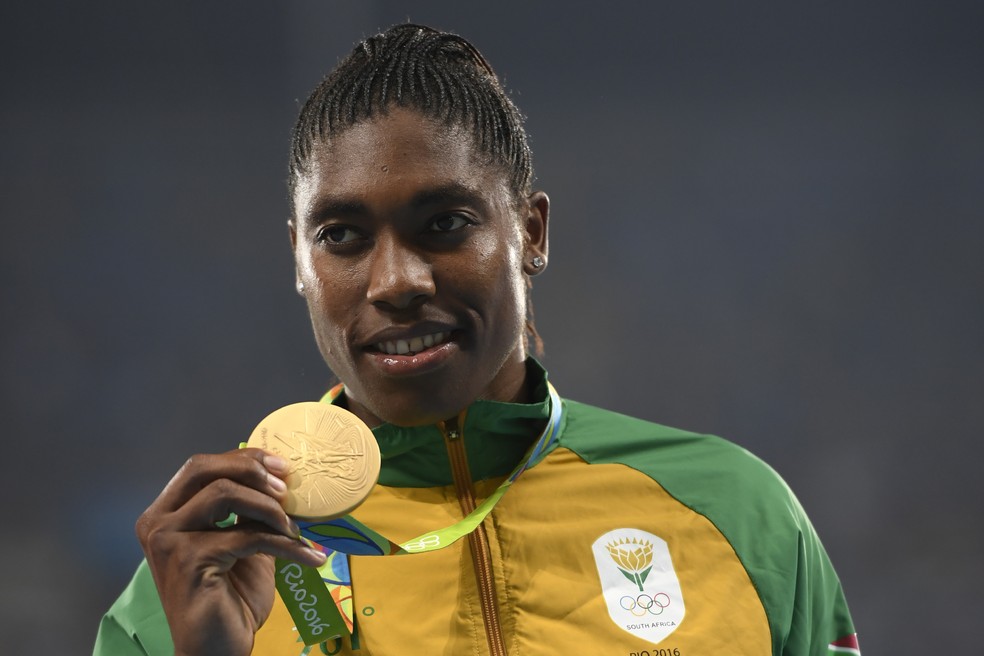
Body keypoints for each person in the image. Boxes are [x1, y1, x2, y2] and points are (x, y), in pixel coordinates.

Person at [94, 23, 859, 656]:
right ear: (298, 261)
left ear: (530, 231)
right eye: (342, 236)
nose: (396, 281)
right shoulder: (200, 577)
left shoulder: (738, 515)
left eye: (445, 224)